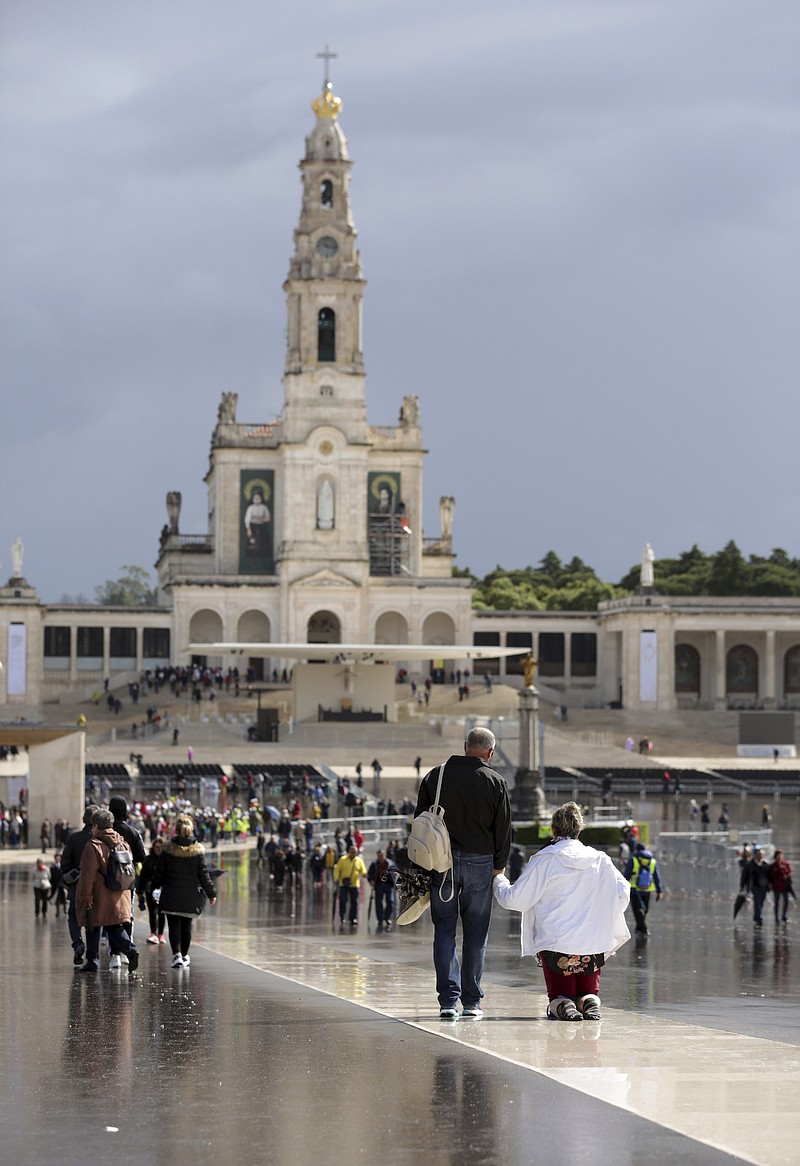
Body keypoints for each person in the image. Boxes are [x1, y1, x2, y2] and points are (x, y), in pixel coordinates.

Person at [494, 802, 631, 1021]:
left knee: (560, 995)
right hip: (592, 945)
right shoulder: (600, 860)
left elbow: (515, 900)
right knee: (588, 992)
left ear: (554, 829)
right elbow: (623, 891)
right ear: (579, 829)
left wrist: (498, 879)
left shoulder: (545, 859)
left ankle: (563, 1005)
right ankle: (589, 1004)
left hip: (556, 946)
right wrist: (605, 914)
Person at [413, 727, 511, 1020]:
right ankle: (471, 1002)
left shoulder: (435, 776)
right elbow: (504, 829)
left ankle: (447, 1000)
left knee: (444, 930)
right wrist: (499, 866)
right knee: (476, 934)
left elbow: (419, 822)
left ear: (465, 745)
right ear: (490, 752)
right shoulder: (496, 781)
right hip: (480, 862)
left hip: (441, 863)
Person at [75, 808, 140, 975]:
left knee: (93, 926)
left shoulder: (93, 846)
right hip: (120, 891)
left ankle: (92, 961)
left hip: (99, 894)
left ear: (96, 826)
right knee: (115, 926)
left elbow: (87, 875)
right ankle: (131, 950)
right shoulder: (123, 842)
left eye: (93, 826)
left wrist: (85, 896)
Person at [152, 813, 216, 968]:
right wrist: (211, 893)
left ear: (176, 830)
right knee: (187, 926)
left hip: (171, 894)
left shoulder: (167, 850)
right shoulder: (197, 852)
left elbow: (159, 873)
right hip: (190, 896)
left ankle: (176, 955)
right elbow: (203, 874)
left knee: (173, 926)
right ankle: (186, 955)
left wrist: (153, 887)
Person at [108, 796, 147, 969]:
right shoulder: (132, 831)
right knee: (126, 916)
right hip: (128, 880)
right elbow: (141, 857)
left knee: (110, 917)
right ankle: (125, 951)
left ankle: (115, 953)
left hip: (108, 880)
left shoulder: (106, 830)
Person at [60, 805, 101, 965]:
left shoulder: (74, 838)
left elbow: (64, 863)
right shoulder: (99, 839)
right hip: (95, 887)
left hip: (76, 886)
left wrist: (71, 875)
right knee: (93, 920)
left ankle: (78, 943)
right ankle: (92, 956)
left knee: (73, 916)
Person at [623, 842, 662, 936]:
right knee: (645, 910)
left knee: (637, 910)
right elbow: (656, 876)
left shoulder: (633, 859)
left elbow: (626, 875)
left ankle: (643, 929)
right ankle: (639, 928)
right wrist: (659, 891)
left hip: (635, 889)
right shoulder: (652, 861)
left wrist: (622, 887)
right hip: (647, 889)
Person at [137, 838, 167, 944]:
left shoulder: (167, 859)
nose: (158, 849)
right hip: (150, 889)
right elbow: (143, 875)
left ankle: (161, 934)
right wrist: (139, 891)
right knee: (152, 912)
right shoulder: (148, 859)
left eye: (160, 847)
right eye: (156, 847)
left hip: (163, 889)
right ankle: (153, 933)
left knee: (162, 912)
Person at [334, 845, 367, 926]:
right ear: (349, 852)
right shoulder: (343, 859)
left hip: (354, 884)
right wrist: (336, 878)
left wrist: (364, 874)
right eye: (351, 852)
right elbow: (337, 869)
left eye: (354, 852)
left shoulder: (359, 860)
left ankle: (353, 918)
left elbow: (363, 870)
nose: (353, 854)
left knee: (354, 902)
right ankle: (342, 917)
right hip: (344, 884)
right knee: (343, 901)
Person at [740, 845, 771, 927]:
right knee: (757, 901)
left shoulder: (765, 865)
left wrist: (770, 884)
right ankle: (758, 918)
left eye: (761, 854)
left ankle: (756, 916)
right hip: (755, 886)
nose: (760, 856)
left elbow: (770, 876)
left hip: (764, 887)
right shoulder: (751, 865)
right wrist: (742, 885)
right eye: (758, 854)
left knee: (761, 902)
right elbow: (745, 876)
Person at [367, 849, 396, 931]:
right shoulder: (374, 864)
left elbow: (396, 873)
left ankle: (387, 917)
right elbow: (370, 874)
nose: (380, 857)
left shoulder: (390, 864)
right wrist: (371, 881)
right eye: (379, 856)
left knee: (390, 901)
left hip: (388, 885)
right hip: (379, 885)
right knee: (378, 902)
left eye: (381, 856)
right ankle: (380, 919)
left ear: (385, 855)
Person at [769, 850, 793, 924]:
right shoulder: (773, 866)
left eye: (781, 856)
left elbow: (790, 873)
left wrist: (786, 874)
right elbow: (770, 876)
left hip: (785, 886)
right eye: (778, 856)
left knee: (786, 901)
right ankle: (776, 917)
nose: (780, 858)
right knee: (777, 902)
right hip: (776, 887)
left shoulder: (786, 864)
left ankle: (784, 916)